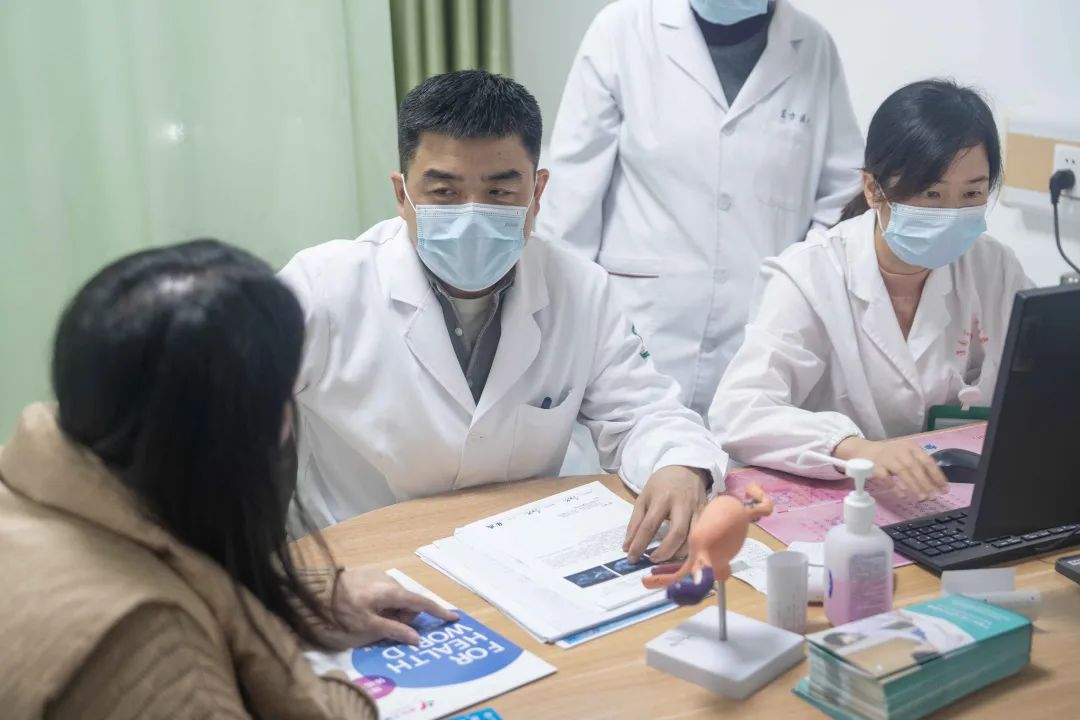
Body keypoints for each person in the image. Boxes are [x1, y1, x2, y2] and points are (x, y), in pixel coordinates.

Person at [279, 69, 727, 563]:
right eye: (444, 192)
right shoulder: (321, 288)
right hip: (361, 562)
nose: (472, 214)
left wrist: (680, 464)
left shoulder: (581, 289)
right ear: (401, 195)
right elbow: (225, 430)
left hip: (520, 557)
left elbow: (644, 413)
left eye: (499, 193)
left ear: (537, 192)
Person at [0, 240, 456, 719]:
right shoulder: (161, 648)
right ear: (238, 435)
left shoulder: (31, 484)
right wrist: (338, 691)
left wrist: (289, 598)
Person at [537, 0, 864, 424]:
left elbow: (843, 193)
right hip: (640, 324)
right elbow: (572, 195)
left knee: (748, 454)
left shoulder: (812, 46)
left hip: (759, 331)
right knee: (633, 450)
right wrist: (556, 323)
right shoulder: (622, 30)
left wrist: (798, 289)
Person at [710, 80, 1032, 499]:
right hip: (841, 497)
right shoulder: (809, 274)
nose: (952, 214)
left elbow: (1046, 375)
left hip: (952, 497)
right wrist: (856, 449)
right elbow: (740, 412)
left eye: (972, 193)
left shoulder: (994, 267)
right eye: (931, 193)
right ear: (873, 189)